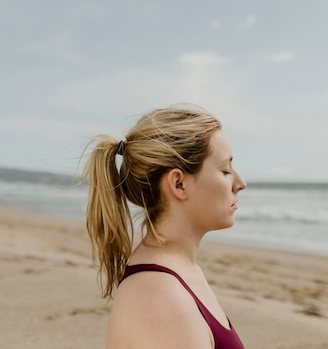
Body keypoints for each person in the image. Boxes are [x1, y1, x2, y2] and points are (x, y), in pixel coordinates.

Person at [83, 105, 247, 349]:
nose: (240, 183)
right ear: (179, 184)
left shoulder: (179, 273)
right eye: (225, 170)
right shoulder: (160, 295)